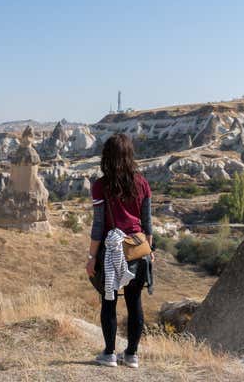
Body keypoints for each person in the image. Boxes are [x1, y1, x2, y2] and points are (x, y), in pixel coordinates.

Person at [85, 133, 154, 369]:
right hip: (139, 250)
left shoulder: (100, 186)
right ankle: (132, 355)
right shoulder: (142, 183)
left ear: (106, 156)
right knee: (135, 303)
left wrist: (92, 256)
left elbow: (98, 226)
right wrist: (149, 249)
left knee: (109, 302)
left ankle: (109, 354)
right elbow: (147, 223)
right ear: (129, 155)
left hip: (113, 252)